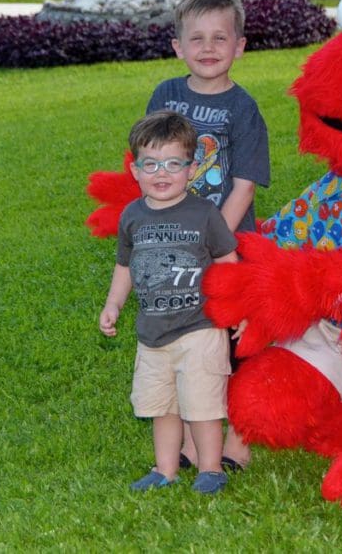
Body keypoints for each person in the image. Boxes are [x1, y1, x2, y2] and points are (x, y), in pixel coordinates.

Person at [146, 0, 270, 471]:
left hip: (227, 246)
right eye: (195, 38)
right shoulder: (166, 96)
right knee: (183, 336)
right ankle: (193, 438)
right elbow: (150, 163)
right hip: (171, 244)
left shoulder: (243, 110)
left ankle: (237, 438)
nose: (208, 47)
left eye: (221, 37)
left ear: (240, 45)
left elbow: (242, 188)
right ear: (177, 46)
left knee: (232, 342)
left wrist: (207, 241)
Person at [99, 111, 242, 494]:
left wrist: (237, 311)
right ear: (135, 170)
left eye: (173, 164)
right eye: (151, 164)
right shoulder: (132, 215)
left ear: (192, 168)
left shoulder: (204, 214)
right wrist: (113, 304)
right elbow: (125, 266)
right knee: (160, 406)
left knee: (203, 406)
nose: (162, 174)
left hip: (200, 328)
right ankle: (165, 470)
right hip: (152, 335)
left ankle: (210, 470)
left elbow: (230, 264)